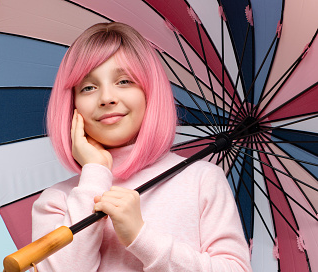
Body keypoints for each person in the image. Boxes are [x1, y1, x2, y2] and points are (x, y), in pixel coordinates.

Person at [31, 22, 252, 271]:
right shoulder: (58, 201)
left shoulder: (201, 180)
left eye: (124, 81)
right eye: (89, 87)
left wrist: (141, 237)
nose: (106, 98)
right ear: (72, 105)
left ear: (150, 92)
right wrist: (94, 175)